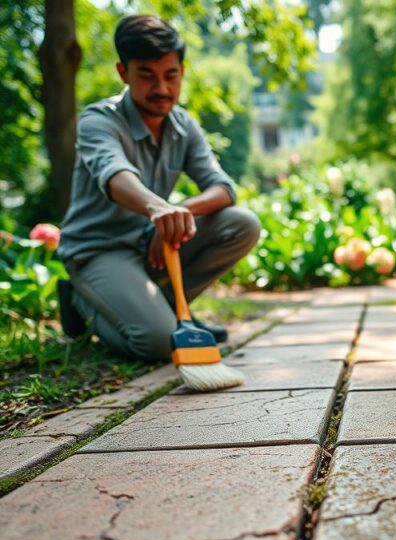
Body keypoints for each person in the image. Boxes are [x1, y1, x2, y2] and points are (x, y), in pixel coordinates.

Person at [57, 15, 261, 362]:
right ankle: (82, 304)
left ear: (182, 72)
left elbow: (223, 189)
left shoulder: (183, 125)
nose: (162, 89)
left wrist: (179, 211)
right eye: (147, 76)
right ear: (124, 73)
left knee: (242, 223)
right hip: (99, 251)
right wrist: (157, 208)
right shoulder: (98, 121)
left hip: (150, 246)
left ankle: (170, 315)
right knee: (157, 344)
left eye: (171, 75)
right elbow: (115, 175)